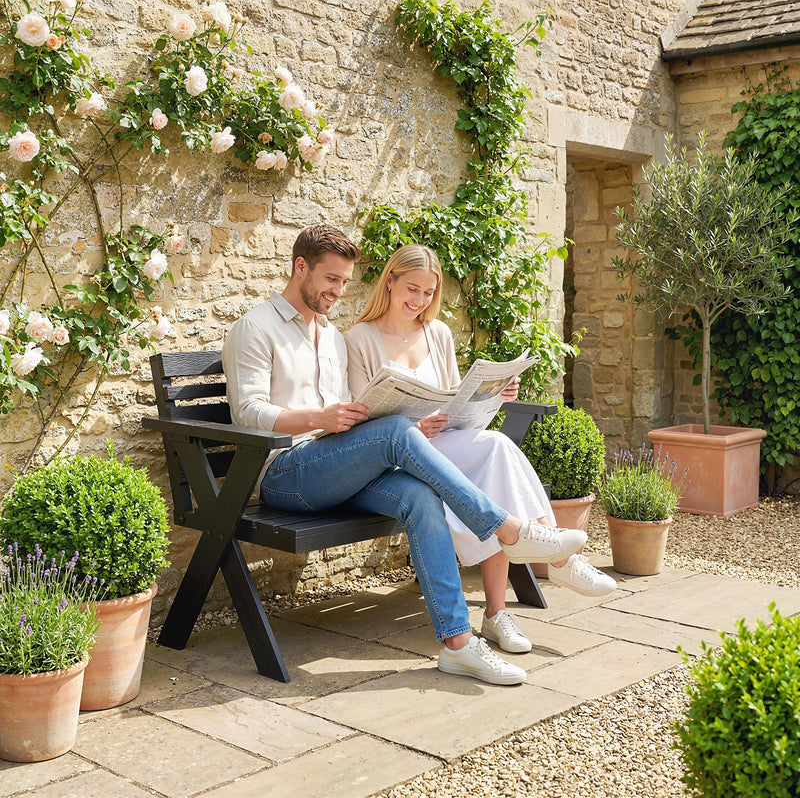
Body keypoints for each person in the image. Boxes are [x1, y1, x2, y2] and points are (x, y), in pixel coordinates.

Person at [222, 224, 589, 687]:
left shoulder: (332, 336)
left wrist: (368, 413)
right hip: (284, 475)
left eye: (344, 282)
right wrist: (322, 417)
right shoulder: (256, 327)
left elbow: (351, 413)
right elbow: (247, 411)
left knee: (419, 495)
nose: (338, 291)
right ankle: (509, 528)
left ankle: (457, 644)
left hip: (338, 467)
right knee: (395, 432)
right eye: (331, 280)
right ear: (301, 268)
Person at [345, 244, 616, 653]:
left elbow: (455, 404)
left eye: (428, 294)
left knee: (495, 448)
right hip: (395, 459)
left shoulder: (436, 334)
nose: (419, 301)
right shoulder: (358, 339)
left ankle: (500, 611)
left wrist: (493, 397)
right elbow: (358, 422)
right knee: (493, 457)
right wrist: (414, 427)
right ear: (390, 280)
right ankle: (553, 565)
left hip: (444, 442)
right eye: (412, 289)